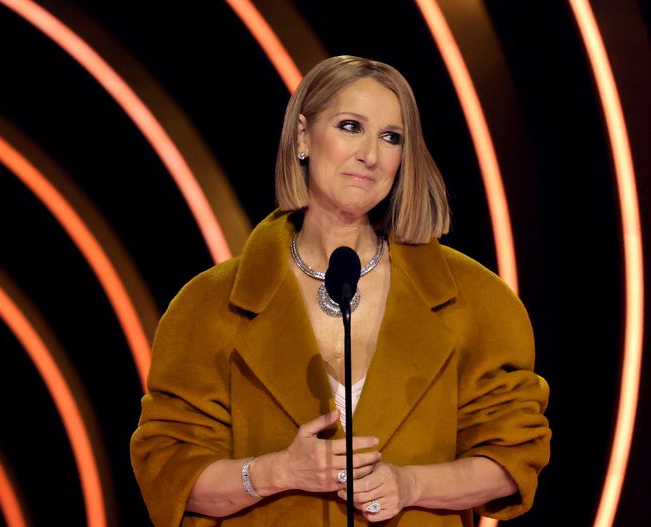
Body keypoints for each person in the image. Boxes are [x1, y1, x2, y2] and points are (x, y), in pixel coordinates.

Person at [130, 55, 550, 526]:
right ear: (303, 136)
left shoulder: (475, 300)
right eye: (351, 127)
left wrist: (410, 485)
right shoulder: (209, 305)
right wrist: (274, 472)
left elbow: (514, 456)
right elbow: (169, 471)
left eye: (391, 138)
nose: (371, 155)